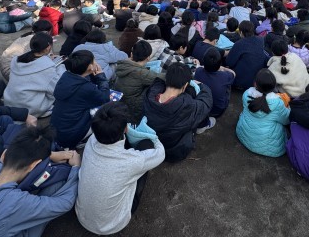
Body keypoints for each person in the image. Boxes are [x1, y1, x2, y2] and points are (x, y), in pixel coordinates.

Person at [75, 102, 165, 235]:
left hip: (82, 216)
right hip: (112, 225)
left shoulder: (91, 141)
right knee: (146, 145)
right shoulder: (132, 161)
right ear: (125, 129)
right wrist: (152, 137)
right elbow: (160, 153)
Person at [143, 63, 213, 162]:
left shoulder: (150, 93)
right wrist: (202, 86)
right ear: (185, 86)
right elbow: (205, 104)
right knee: (197, 118)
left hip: (154, 143)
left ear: (166, 79)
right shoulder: (186, 106)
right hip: (173, 150)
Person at [51, 50, 111, 149]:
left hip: (57, 129)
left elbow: (85, 81)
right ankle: (82, 140)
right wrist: (101, 76)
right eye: (94, 61)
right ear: (90, 67)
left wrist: (92, 74)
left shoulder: (66, 76)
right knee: (105, 114)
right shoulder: (86, 88)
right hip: (71, 134)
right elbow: (105, 98)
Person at [5, 33, 65, 118]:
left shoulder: (16, 59)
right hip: (29, 108)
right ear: (48, 47)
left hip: (10, 102)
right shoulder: (47, 67)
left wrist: (47, 59)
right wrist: (61, 67)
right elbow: (57, 89)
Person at [236, 68, 290, 157]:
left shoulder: (246, 94)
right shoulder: (277, 103)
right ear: (274, 86)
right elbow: (287, 120)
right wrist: (288, 107)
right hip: (268, 146)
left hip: (243, 135)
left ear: (255, 83)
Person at [113, 40, 164, 125]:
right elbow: (162, 77)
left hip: (120, 103)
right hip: (132, 110)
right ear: (148, 58)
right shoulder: (141, 73)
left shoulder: (123, 64)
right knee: (156, 85)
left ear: (131, 54)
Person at [193, 47, 235, 119]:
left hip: (201, 107)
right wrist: (223, 68)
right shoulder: (225, 76)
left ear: (203, 60)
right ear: (219, 64)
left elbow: (199, 68)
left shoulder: (198, 71)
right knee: (228, 84)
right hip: (216, 111)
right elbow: (233, 74)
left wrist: (198, 64)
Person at [226, 21, 269, 89]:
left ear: (241, 32)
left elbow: (229, 62)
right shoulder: (261, 40)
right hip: (257, 79)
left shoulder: (239, 43)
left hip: (241, 82)